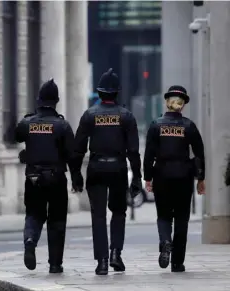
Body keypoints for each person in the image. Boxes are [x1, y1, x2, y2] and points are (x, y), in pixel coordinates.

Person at [73, 68, 142, 275]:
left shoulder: (89, 115)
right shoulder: (126, 116)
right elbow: (134, 151)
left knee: (98, 215)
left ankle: (102, 261)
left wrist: (76, 174)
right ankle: (115, 254)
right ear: (117, 93)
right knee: (119, 212)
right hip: (118, 168)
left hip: (96, 168)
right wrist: (137, 177)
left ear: (100, 93)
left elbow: (78, 149)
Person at [14, 79, 84, 274]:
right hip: (56, 179)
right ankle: (55, 264)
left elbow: (16, 134)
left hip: (33, 177)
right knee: (57, 221)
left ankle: (30, 240)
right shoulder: (62, 125)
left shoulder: (28, 122)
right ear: (57, 101)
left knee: (33, 214)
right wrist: (77, 179)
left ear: (39, 100)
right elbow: (72, 156)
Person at [143, 85, 206, 273]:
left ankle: (165, 241)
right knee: (181, 218)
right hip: (184, 176)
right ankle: (177, 262)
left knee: (163, 215)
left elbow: (148, 155)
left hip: (161, 174)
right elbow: (200, 154)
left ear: (167, 102)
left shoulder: (156, 125)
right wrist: (200, 178)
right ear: (182, 105)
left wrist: (147, 178)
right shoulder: (189, 126)